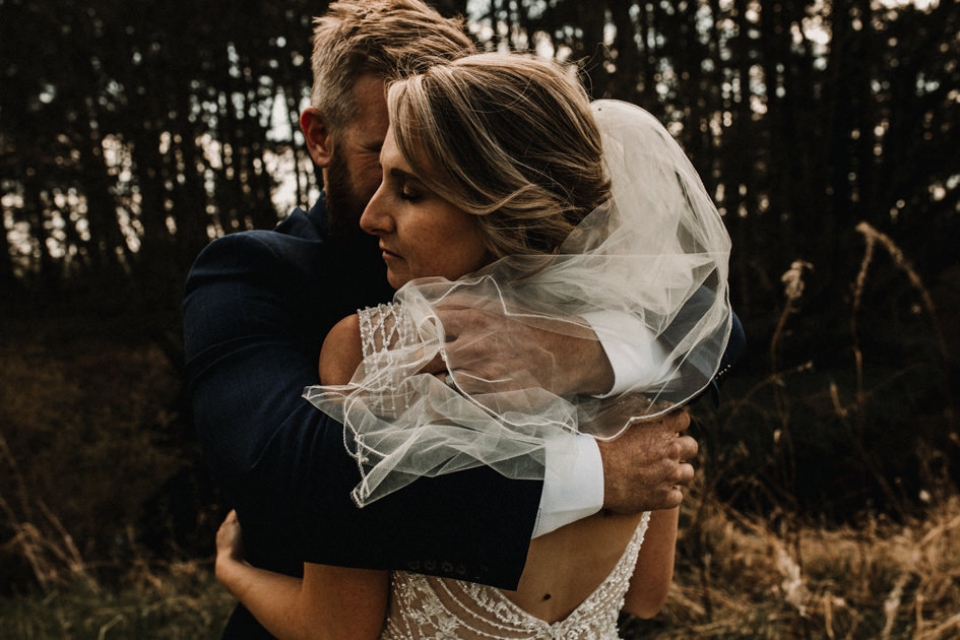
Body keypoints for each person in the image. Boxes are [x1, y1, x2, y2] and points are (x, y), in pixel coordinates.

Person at [183, 2, 725, 637]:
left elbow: (711, 334)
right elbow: (295, 476)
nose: (375, 216)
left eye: (415, 185)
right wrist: (594, 475)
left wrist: (582, 352)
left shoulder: (616, 332)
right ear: (319, 136)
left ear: (496, 186)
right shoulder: (251, 276)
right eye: (378, 159)